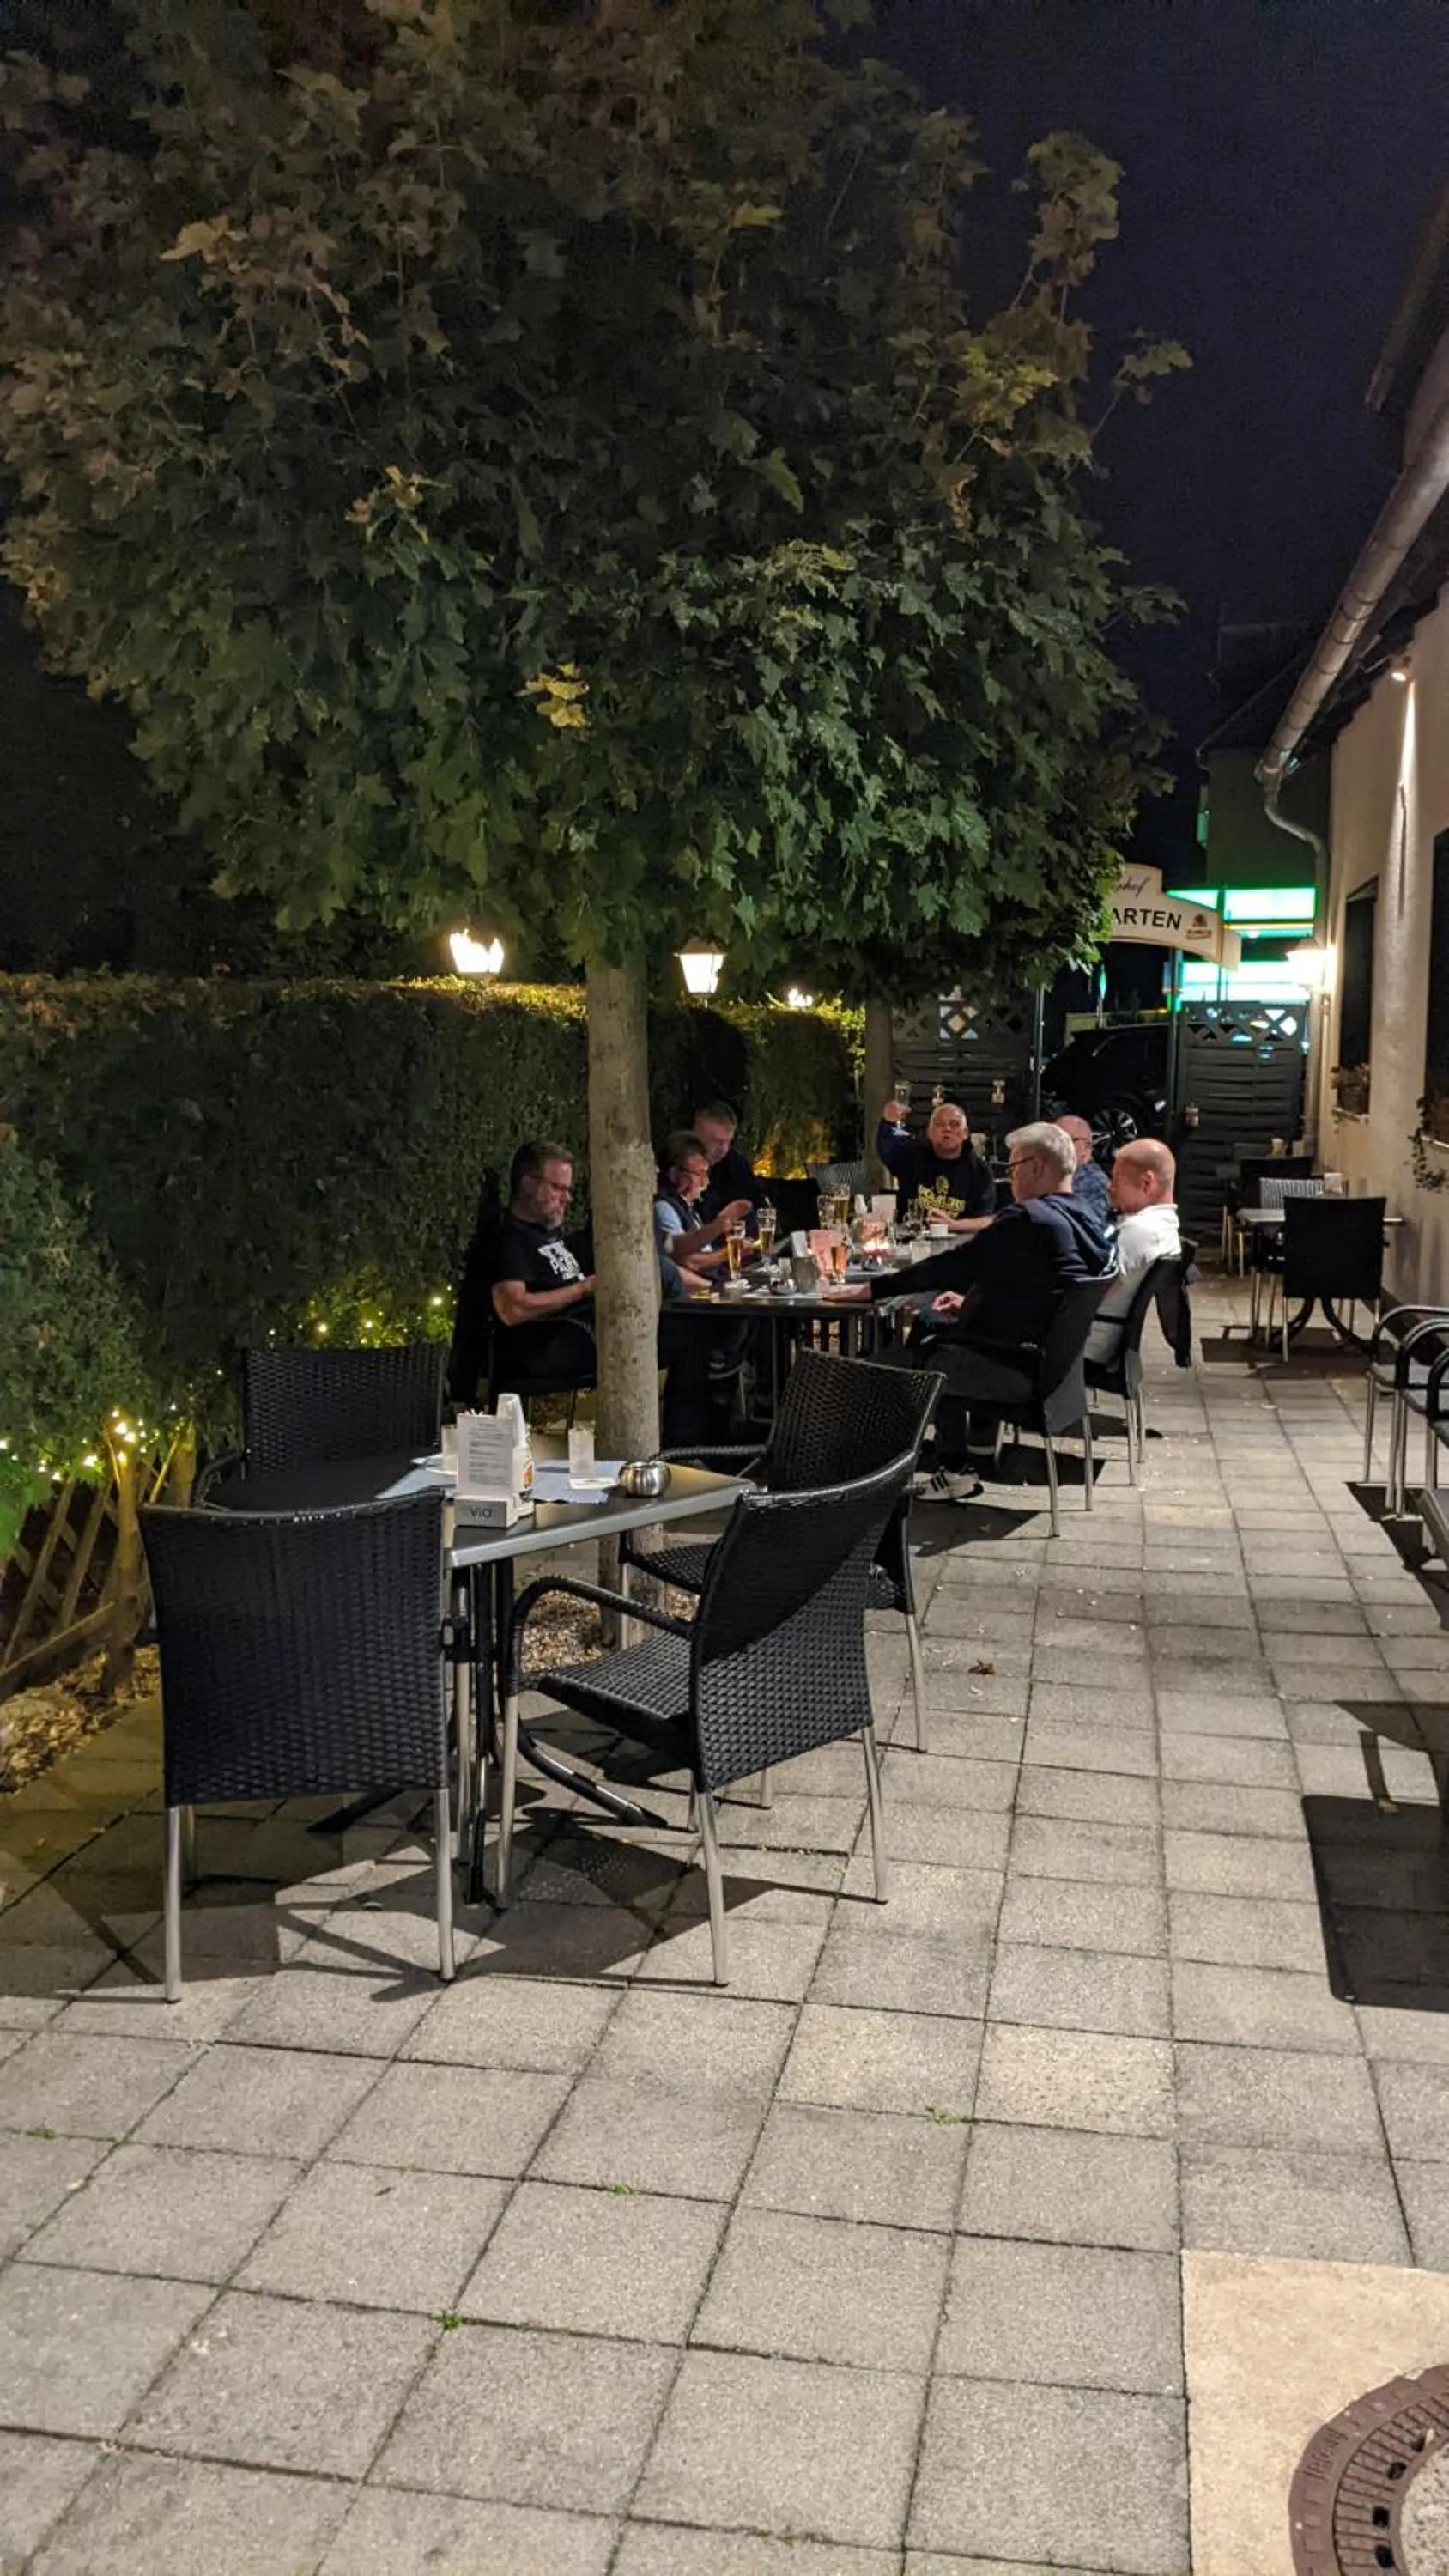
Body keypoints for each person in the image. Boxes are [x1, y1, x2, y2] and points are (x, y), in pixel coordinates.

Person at [829, 1120, 1115, 1501]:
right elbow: (1047, 1290)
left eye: (1012, 1168)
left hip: (1016, 1372)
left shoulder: (1028, 1218)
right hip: (1054, 1369)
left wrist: (873, 1288)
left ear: (1036, 1167)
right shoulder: (1083, 1217)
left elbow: (955, 1264)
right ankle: (954, 1467)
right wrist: (973, 1302)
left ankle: (864, 1484)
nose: (1008, 1180)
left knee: (884, 1365)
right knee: (937, 1335)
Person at [490, 1139, 597, 1380]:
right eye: (558, 1188)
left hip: (584, 1329)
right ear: (527, 1183)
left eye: (568, 1190)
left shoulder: (546, 1231)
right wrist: (583, 1289)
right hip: (549, 1345)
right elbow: (512, 1309)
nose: (567, 1198)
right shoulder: (512, 1238)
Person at [1085, 1138, 1181, 1364]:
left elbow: (1088, 1290)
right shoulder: (1164, 1226)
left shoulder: (1139, 1232)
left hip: (1088, 1343)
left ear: (1147, 1183)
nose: (1110, 1187)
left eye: (1117, 1179)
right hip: (1102, 1336)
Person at [876, 1096, 995, 1231]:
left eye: (954, 1124)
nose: (947, 1129)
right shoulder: (912, 1158)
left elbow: (987, 1220)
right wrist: (888, 1122)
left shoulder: (980, 1171)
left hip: (962, 1245)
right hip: (912, 1242)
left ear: (966, 1133)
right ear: (929, 1132)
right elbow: (887, 1149)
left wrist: (952, 1225)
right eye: (939, 1124)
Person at [654, 1130, 754, 1278]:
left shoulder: (689, 1206)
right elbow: (688, 1261)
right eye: (698, 1174)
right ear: (675, 1173)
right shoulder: (664, 1207)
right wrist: (729, 1250)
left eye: (706, 1173)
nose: (705, 1182)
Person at [693, 1101, 761, 1224]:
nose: (723, 1149)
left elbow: (755, 1208)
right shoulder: (680, 1171)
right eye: (716, 1141)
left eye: (728, 1142)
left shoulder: (736, 1165)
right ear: (696, 1135)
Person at [1057, 1112, 1113, 1230]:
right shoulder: (1055, 1175)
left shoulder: (1095, 1183)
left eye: (1065, 1141)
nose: (1055, 1147)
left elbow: (1088, 1229)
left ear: (1086, 1146)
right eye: (1052, 1141)